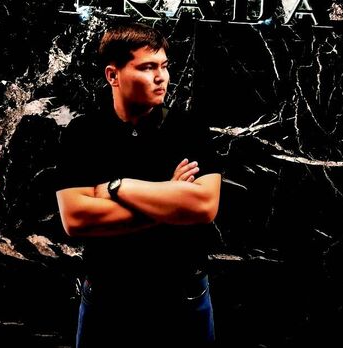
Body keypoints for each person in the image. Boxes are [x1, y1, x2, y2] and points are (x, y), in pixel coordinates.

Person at [54, 22, 222, 347]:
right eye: (147, 67)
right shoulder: (83, 134)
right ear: (113, 76)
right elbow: (76, 219)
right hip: (108, 299)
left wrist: (118, 188)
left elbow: (202, 207)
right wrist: (169, 200)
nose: (161, 77)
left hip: (182, 298)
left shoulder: (189, 129)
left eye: (164, 66)